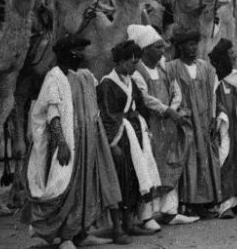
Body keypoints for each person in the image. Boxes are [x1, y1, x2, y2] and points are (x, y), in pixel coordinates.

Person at [21, 34, 121, 248]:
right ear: (69, 53)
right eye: (80, 51)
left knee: (85, 188)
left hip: (86, 144)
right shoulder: (55, 77)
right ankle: (64, 237)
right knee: (65, 188)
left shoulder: (83, 76)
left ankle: (80, 234)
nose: (84, 55)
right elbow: (53, 114)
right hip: (67, 144)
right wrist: (62, 144)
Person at [128, 25, 199, 226]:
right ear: (145, 49)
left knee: (171, 165)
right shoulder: (137, 71)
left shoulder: (163, 67)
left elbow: (175, 90)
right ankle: (147, 216)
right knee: (150, 168)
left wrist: (173, 109)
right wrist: (167, 111)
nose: (163, 50)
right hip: (150, 125)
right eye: (158, 46)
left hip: (168, 125)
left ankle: (170, 212)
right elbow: (145, 97)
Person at [97, 40, 162, 237]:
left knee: (135, 178)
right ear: (124, 62)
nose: (135, 67)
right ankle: (117, 227)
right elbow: (107, 116)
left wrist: (146, 132)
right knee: (120, 181)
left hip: (135, 138)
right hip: (120, 140)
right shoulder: (107, 84)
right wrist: (112, 143)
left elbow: (140, 106)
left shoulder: (130, 81)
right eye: (133, 63)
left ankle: (130, 222)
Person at [165, 29, 222, 216]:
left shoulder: (206, 68)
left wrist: (213, 117)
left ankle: (205, 202)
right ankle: (188, 203)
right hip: (185, 122)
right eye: (189, 44)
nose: (193, 48)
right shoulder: (171, 67)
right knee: (187, 159)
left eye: (195, 44)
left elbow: (213, 94)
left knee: (204, 159)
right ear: (180, 47)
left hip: (204, 121)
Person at [208, 38, 237, 218]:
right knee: (225, 157)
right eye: (231, 54)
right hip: (223, 124)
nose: (235, 56)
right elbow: (212, 100)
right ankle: (224, 203)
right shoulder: (214, 78)